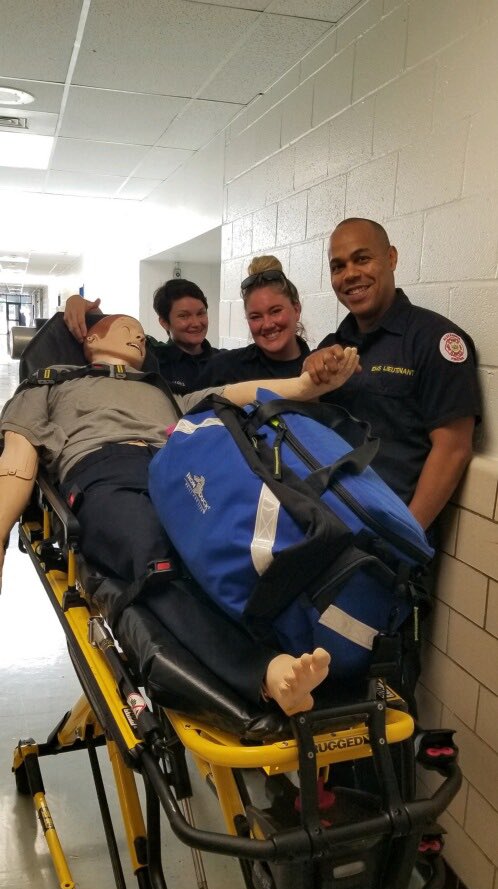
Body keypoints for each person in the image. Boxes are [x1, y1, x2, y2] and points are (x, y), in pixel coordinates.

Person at [0, 313, 359, 716]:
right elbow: (18, 457)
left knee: (244, 540)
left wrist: (307, 386)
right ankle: (265, 670)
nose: (138, 339)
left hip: (177, 468)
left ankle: (303, 638)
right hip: (105, 471)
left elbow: (236, 393)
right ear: (93, 339)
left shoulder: (163, 391)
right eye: (126, 330)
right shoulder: (51, 380)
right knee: (159, 559)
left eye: (141, 335)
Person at [303, 218, 481, 533]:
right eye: (338, 266)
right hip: (321, 524)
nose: (350, 274)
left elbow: (453, 449)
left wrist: (404, 538)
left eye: (362, 258)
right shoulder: (330, 347)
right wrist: (309, 377)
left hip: (382, 544)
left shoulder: (434, 340)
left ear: (391, 258)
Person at [63, 278, 217, 394]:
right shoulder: (149, 355)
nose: (196, 323)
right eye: (184, 316)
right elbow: (109, 334)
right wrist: (75, 301)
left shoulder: (226, 361)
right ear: (164, 322)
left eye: (201, 313)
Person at [196, 256, 311, 387]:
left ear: (296, 309)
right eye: (256, 317)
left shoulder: (319, 371)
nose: (267, 324)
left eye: (275, 311)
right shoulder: (222, 369)